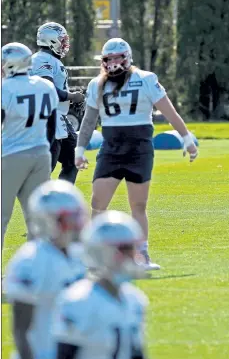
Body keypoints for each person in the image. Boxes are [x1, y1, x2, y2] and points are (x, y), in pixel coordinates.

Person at [75, 38, 198, 270]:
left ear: (127, 57)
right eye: (108, 59)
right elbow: (89, 120)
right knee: (98, 202)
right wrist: (80, 149)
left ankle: (141, 255)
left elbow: (169, 112)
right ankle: (96, 254)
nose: (112, 63)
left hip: (139, 148)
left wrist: (187, 138)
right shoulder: (97, 84)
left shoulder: (146, 79)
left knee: (138, 205)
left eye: (117, 57)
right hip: (111, 148)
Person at [4, 180, 88, 359]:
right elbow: (21, 329)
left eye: (77, 215)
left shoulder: (79, 255)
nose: (76, 223)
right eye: (69, 217)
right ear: (47, 219)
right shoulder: (30, 260)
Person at [52, 211, 148, 359]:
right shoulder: (78, 301)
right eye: (125, 249)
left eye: (132, 248)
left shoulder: (135, 299)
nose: (133, 255)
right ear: (102, 252)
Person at [1, 42, 58, 248]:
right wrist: (45, 149)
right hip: (41, 154)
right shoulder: (45, 86)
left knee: (1, 217)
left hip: (11, 156)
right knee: (38, 219)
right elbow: (51, 125)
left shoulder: (5, 88)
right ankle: (37, 273)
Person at [30, 22, 85, 184]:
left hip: (59, 117)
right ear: (51, 41)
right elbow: (48, 89)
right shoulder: (41, 59)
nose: (64, 44)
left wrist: (70, 100)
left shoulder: (52, 60)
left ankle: (62, 197)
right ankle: (41, 202)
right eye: (62, 40)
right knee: (47, 167)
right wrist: (72, 96)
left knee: (73, 158)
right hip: (46, 118)